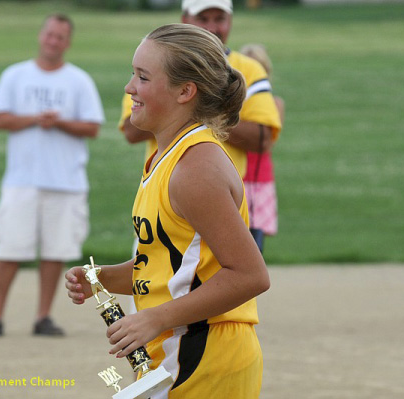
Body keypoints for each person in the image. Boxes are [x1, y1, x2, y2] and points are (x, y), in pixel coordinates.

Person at [66, 24, 270, 398]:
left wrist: (156, 317)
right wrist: (102, 278)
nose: (129, 88)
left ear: (185, 91)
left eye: (143, 77)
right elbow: (172, 267)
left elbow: (249, 275)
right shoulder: (170, 157)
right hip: (180, 352)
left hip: (203, 354)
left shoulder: (196, 168)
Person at [0, 13, 105, 337]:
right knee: (9, 249)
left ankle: (43, 316)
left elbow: (92, 127)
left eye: (60, 37)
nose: (53, 41)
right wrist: (36, 119)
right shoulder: (16, 75)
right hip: (23, 179)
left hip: (66, 181)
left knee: (55, 252)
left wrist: (58, 123)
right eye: (50, 34)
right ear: (40, 36)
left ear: (68, 42)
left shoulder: (79, 81)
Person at [119, 0, 282, 251]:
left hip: (216, 198)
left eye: (219, 19)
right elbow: (131, 130)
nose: (212, 27)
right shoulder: (159, 62)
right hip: (166, 196)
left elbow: (262, 138)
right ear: (185, 19)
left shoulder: (249, 69)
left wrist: (197, 112)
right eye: (203, 18)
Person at [240, 44, 286, 252]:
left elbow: (267, 141)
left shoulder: (274, 103)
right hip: (237, 174)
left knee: (255, 241)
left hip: (258, 176)